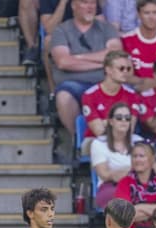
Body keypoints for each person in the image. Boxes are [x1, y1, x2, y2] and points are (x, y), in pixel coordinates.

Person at [50, 0, 121, 141]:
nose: (90, 7)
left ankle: (116, 142)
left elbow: (115, 55)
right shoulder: (61, 30)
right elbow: (63, 62)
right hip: (74, 84)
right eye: (84, 2)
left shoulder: (107, 29)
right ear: (73, 6)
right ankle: (79, 140)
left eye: (93, 3)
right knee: (63, 97)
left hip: (104, 83)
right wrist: (103, 63)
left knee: (126, 91)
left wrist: (79, 57)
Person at [91, 103, 144, 210]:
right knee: (125, 199)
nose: (124, 121)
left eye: (127, 118)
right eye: (119, 118)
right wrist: (134, 171)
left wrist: (121, 173)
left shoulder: (139, 141)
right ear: (111, 121)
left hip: (138, 186)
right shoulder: (99, 143)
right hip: (110, 186)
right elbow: (105, 175)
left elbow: (149, 168)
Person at [121, 0, 156, 92]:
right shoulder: (126, 40)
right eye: (146, 13)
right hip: (137, 89)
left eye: (155, 13)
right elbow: (126, 76)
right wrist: (145, 82)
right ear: (138, 15)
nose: (151, 17)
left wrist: (155, 84)